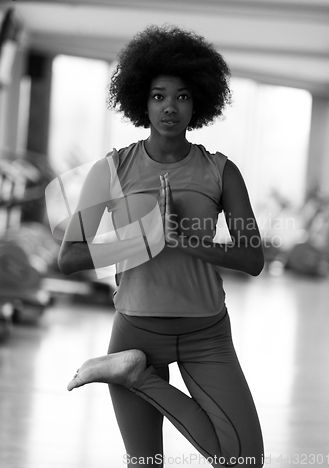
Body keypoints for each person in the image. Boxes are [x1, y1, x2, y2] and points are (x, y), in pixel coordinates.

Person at [58, 25, 265, 467]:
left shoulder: (221, 172)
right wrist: (143, 240)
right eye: (158, 96)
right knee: (145, 464)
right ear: (141, 100)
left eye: (183, 96)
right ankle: (131, 368)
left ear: (199, 103)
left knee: (244, 460)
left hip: (207, 334)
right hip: (136, 328)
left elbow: (252, 258)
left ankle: (134, 375)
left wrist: (186, 241)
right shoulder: (110, 169)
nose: (170, 106)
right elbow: (69, 256)